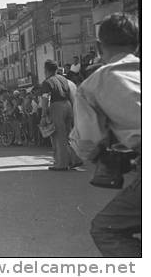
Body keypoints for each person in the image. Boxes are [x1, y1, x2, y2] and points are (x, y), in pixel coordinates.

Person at [70, 13, 141, 257]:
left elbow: (88, 143)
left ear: (99, 48)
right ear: (138, 45)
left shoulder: (93, 84)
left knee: (106, 230)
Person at [41, 59, 82, 170]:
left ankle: (61, 164)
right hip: (68, 105)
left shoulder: (47, 82)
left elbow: (46, 99)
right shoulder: (64, 79)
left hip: (57, 106)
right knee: (69, 135)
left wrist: (44, 115)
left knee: (58, 136)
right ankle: (75, 159)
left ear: (46, 70)